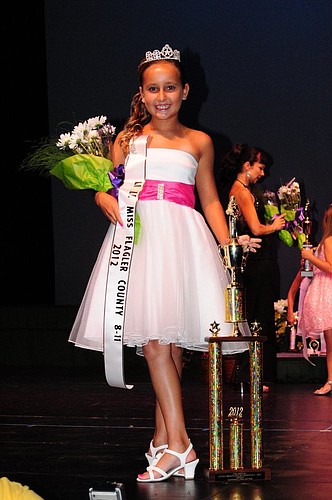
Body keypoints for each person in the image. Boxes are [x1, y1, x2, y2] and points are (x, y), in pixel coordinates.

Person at [69, 44, 260, 483]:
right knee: (155, 343)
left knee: (170, 350)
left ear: (185, 90)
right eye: (153, 88)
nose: (162, 96)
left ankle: (165, 442)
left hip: (181, 238)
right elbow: (110, 188)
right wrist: (101, 196)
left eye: (170, 87)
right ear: (141, 92)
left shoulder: (199, 142)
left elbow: (209, 198)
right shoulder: (126, 140)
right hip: (138, 241)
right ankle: (178, 445)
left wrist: (228, 244)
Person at [220, 144, 286, 393]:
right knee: (259, 320)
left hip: (257, 263)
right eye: (260, 167)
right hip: (256, 264)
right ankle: (254, 376)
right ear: (247, 166)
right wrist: (276, 225)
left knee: (257, 318)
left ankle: (252, 375)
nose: (262, 172)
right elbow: (257, 229)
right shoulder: (242, 192)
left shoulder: (243, 190)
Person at [297, 204, 332, 395]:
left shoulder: (329, 240)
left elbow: (330, 267)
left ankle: (330, 380)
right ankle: (330, 380)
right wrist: (309, 262)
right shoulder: (325, 242)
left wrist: (312, 257)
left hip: (328, 292)